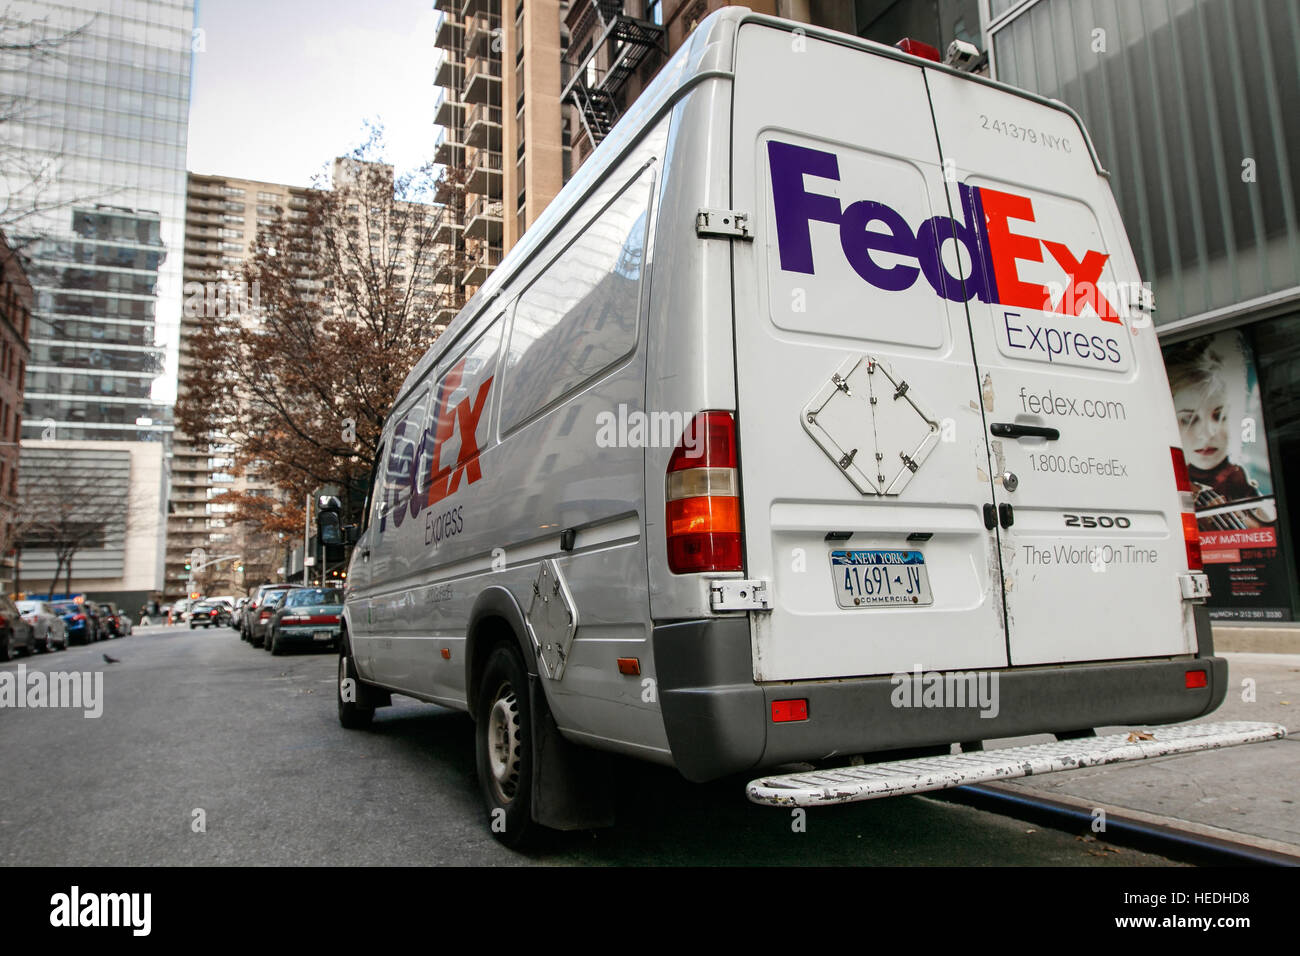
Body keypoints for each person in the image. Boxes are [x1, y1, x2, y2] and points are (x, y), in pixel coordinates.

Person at [1166, 339, 1273, 530]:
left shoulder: (1239, 480)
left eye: (1219, 416)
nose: (1207, 434)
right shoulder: (1168, 485)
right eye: (1188, 419)